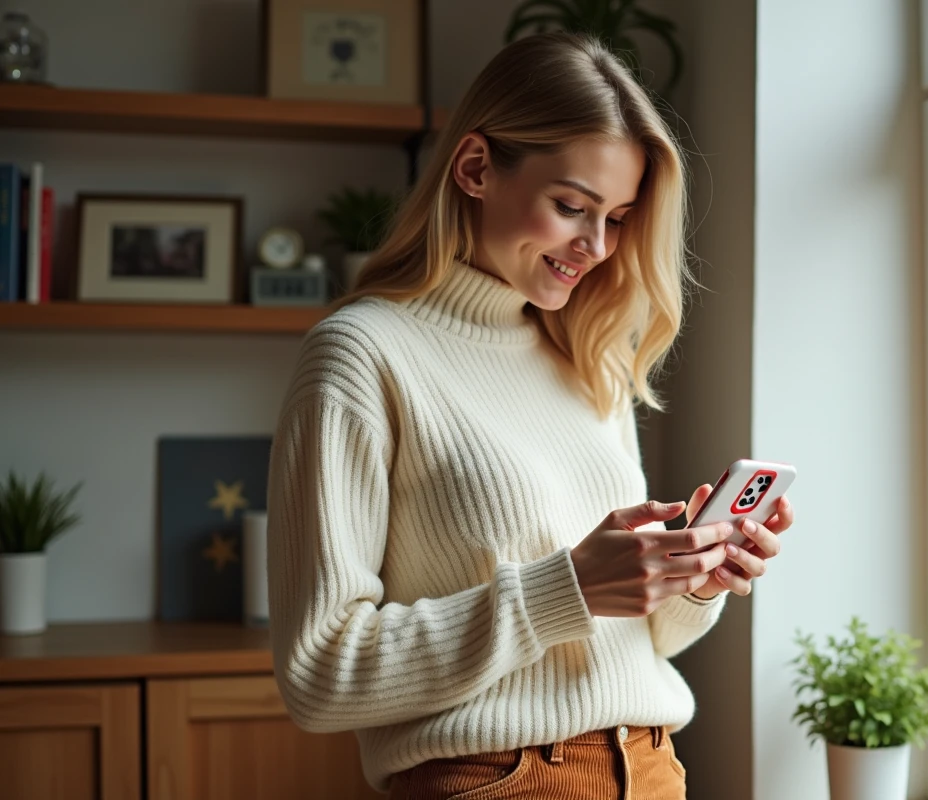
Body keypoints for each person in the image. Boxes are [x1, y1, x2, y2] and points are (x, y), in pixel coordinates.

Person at [265, 31, 794, 800]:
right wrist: (568, 588)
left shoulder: (588, 355)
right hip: (501, 780)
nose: (596, 247)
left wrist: (693, 579)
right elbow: (320, 675)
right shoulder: (362, 357)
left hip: (653, 769)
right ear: (476, 168)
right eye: (572, 207)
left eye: (616, 217)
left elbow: (635, 638)